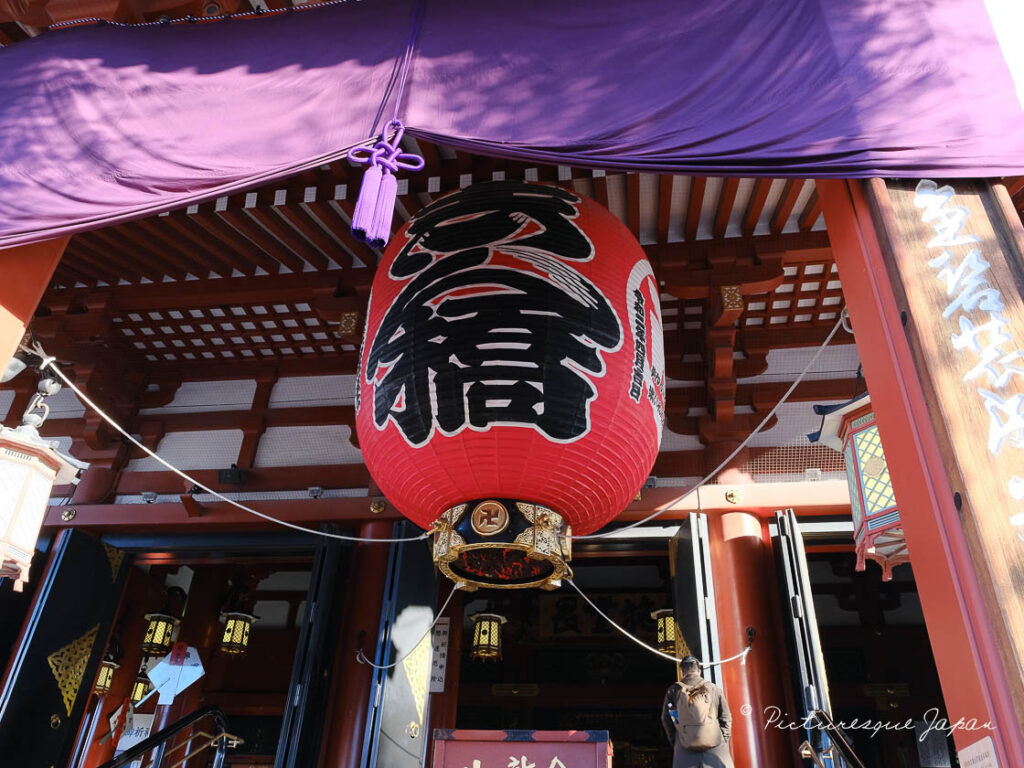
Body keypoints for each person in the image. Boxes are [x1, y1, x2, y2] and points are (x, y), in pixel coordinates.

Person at [661, 655, 734, 768]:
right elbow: (726, 717)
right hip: (715, 748)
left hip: (684, 749)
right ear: (699, 671)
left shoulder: (673, 691)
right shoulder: (713, 688)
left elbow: (669, 717)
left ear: (682, 672)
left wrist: (677, 737)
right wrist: (723, 738)